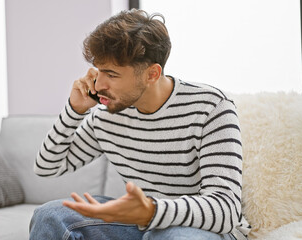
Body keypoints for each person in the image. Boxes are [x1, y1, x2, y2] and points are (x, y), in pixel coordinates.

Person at [29, 9, 251, 240]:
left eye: (112, 74)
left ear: (152, 74)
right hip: (139, 224)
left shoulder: (211, 107)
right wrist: (74, 111)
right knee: (51, 215)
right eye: (98, 70)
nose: (99, 83)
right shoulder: (107, 116)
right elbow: (47, 167)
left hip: (198, 229)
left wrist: (152, 211)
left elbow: (225, 210)